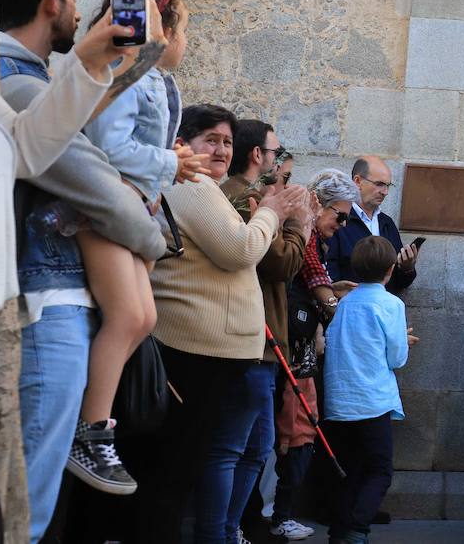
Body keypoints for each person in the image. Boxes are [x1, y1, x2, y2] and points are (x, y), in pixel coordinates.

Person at [0, 0, 168, 538]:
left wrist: (140, 54)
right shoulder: (13, 81)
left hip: (53, 295)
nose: (77, 12)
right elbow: (89, 172)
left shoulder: (32, 77)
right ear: (50, 1)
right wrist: (153, 237)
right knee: (26, 506)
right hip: (48, 303)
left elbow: (80, 113)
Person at [125, 104, 309, 544]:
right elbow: (240, 251)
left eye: (227, 141)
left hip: (213, 353)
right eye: (211, 139)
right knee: (176, 473)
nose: (223, 149)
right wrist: (274, 213)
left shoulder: (201, 187)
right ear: (181, 144)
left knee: (186, 469)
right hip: (196, 353)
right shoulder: (193, 186)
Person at [73, 0, 209, 495]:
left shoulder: (156, 81)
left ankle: (97, 415)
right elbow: (109, 145)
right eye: (184, 30)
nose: (185, 43)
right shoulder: (126, 70)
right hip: (106, 202)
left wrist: (170, 166)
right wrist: (170, 161)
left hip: (137, 205)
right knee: (130, 314)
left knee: (144, 316)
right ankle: (91, 429)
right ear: (163, 28)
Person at [220, 131, 313, 544]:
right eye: (279, 160)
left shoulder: (249, 194)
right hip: (253, 339)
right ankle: (225, 530)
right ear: (259, 154)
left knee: (249, 446)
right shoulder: (244, 197)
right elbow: (280, 263)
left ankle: (228, 527)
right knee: (249, 447)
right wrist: (300, 224)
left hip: (262, 338)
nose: (283, 177)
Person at [323, 235, 414, 544]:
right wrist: (402, 338)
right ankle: (356, 529)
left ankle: (339, 530)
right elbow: (397, 358)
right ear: (391, 269)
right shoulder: (391, 304)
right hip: (372, 402)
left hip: (339, 402)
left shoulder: (344, 302)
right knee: (379, 471)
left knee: (349, 472)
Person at [327, 156, 418, 293]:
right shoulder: (339, 220)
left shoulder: (386, 223)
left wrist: (407, 268)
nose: (385, 192)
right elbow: (329, 273)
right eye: (379, 184)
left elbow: (400, 283)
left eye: (388, 185)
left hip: (385, 309)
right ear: (357, 181)